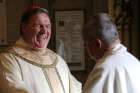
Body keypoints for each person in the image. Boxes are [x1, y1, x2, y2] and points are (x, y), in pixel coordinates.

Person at [0, 7, 81, 93]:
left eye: (47, 26)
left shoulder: (58, 60)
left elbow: (76, 89)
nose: (44, 31)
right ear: (24, 27)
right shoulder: (9, 59)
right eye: (38, 25)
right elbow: (14, 89)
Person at [82, 13, 140, 93]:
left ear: (97, 44)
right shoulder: (134, 62)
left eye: (86, 44)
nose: (86, 48)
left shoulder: (103, 69)